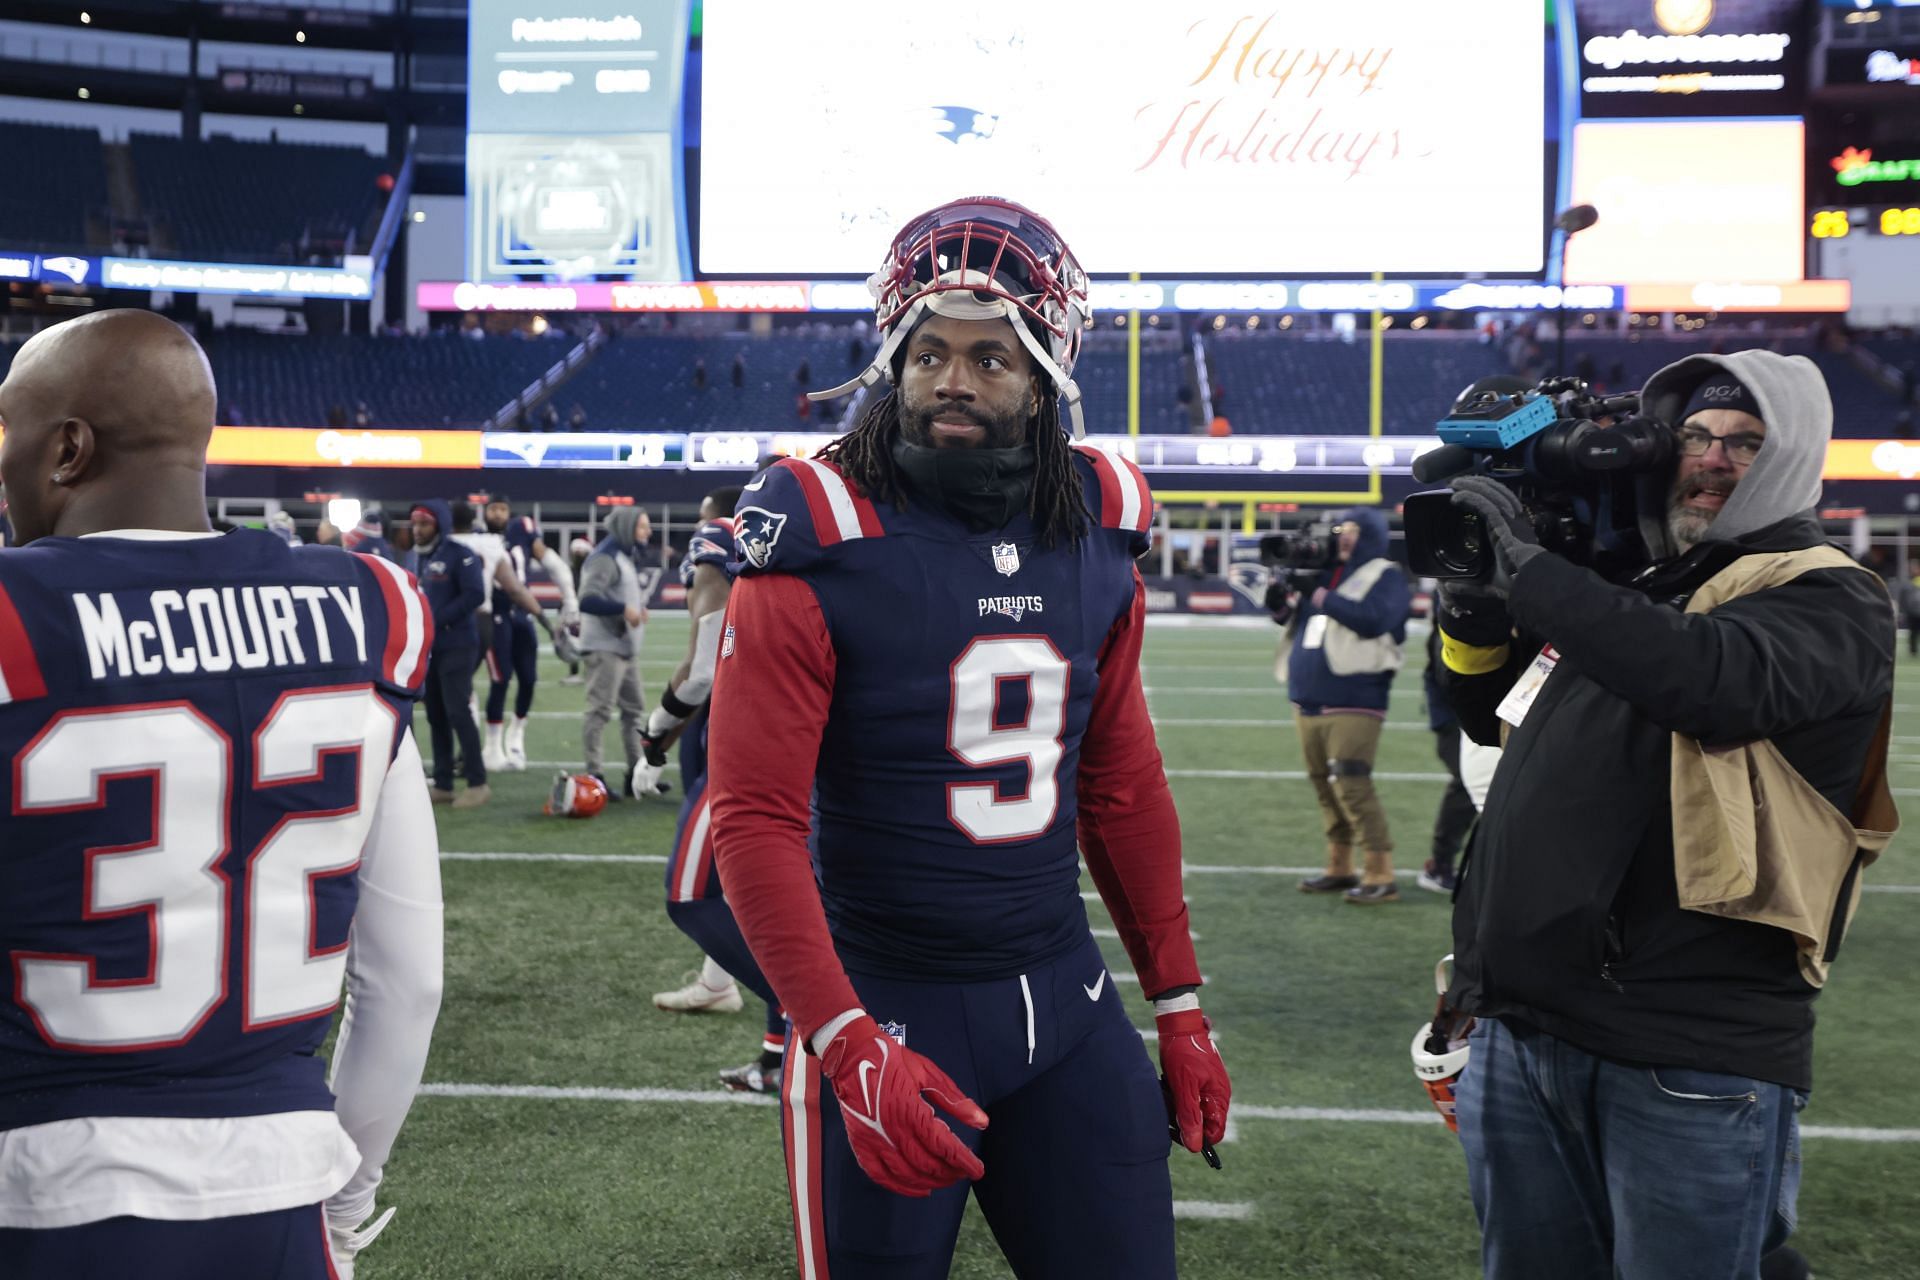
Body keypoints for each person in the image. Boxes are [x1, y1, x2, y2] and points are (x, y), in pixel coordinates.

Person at [708, 198, 1229, 1280]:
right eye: (929, 352)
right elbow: (752, 819)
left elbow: (1121, 782)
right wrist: (842, 1036)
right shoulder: (822, 527)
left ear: (1043, 376)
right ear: (891, 360)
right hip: (886, 1001)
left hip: (1066, 998)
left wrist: (1176, 1002)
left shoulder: (1096, 525)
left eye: (993, 357)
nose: (955, 379)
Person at [0, 309, 443, 1279]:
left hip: (41, 1192)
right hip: (278, 1193)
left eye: (11, 439)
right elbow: (408, 980)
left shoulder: (15, 615)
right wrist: (350, 1191)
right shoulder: (369, 611)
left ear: (66, 447)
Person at [1435, 352, 1898, 1278]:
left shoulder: (1830, 595)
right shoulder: (1642, 584)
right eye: (1695, 436)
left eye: (1745, 443)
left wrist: (1531, 571)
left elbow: (1708, 680)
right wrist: (1473, 613)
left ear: (1793, 457)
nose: (1713, 459)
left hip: (1686, 1045)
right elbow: (1487, 712)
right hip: (1527, 1026)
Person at [640, 487, 790, 1092]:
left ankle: (806, 1017)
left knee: (692, 894)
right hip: (805, 735)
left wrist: (654, 736)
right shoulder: (814, 540)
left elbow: (706, 666)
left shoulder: (721, 535)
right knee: (765, 894)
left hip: (751, 739)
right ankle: (775, 1053)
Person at [1284, 510, 1412, 903]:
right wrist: (1282, 604)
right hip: (1309, 696)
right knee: (1324, 786)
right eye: (1342, 530)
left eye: (1353, 530)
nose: (1343, 537)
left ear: (1371, 535)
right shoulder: (1327, 572)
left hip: (1355, 697)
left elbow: (1374, 620)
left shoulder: (1385, 574)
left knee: (1352, 784)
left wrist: (1319, 594)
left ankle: (1379, 872)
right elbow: (1305, 624)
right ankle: (1339, 866)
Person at [483, 497, 579, 770]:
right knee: (499, 680)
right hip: (494, 614)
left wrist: (570, 599)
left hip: (522, 614)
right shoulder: (478, 536)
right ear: (485, 512)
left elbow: (553, 564)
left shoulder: (522, 528)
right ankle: (491, 746)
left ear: (509, 512)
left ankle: (517, 734)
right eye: (493, 509)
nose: (498, 514)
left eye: (503, 509)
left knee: (528, 678)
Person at [410, 500, 490, 808]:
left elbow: (475, 594)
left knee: (458, 711)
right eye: (414, 524)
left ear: (440, 525)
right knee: (436, 715)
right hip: (431, 647)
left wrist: (436, 619)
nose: (417, 530)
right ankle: (443, 782)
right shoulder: (419, 558)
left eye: (424, 524)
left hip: (458, 644)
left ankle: (477, 781)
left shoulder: (460, 554)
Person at [577, 505, 653, 798]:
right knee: (599, 712)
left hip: (622, 647)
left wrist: (632, 610)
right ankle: (594, 777)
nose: (647, 532)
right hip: (604, 647)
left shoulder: (622, 553)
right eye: (642, 526)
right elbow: (587, 600)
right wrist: (623, 609)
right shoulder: (605, 557)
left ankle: (636, 774)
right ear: (626, 527)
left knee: (634, 712)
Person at [1417, 622, 1475, 894]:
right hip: (1458, 715)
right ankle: (1440, 863)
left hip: (1480, 711)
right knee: (1467, 783)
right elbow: (1442, 667)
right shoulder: (1454, 605)